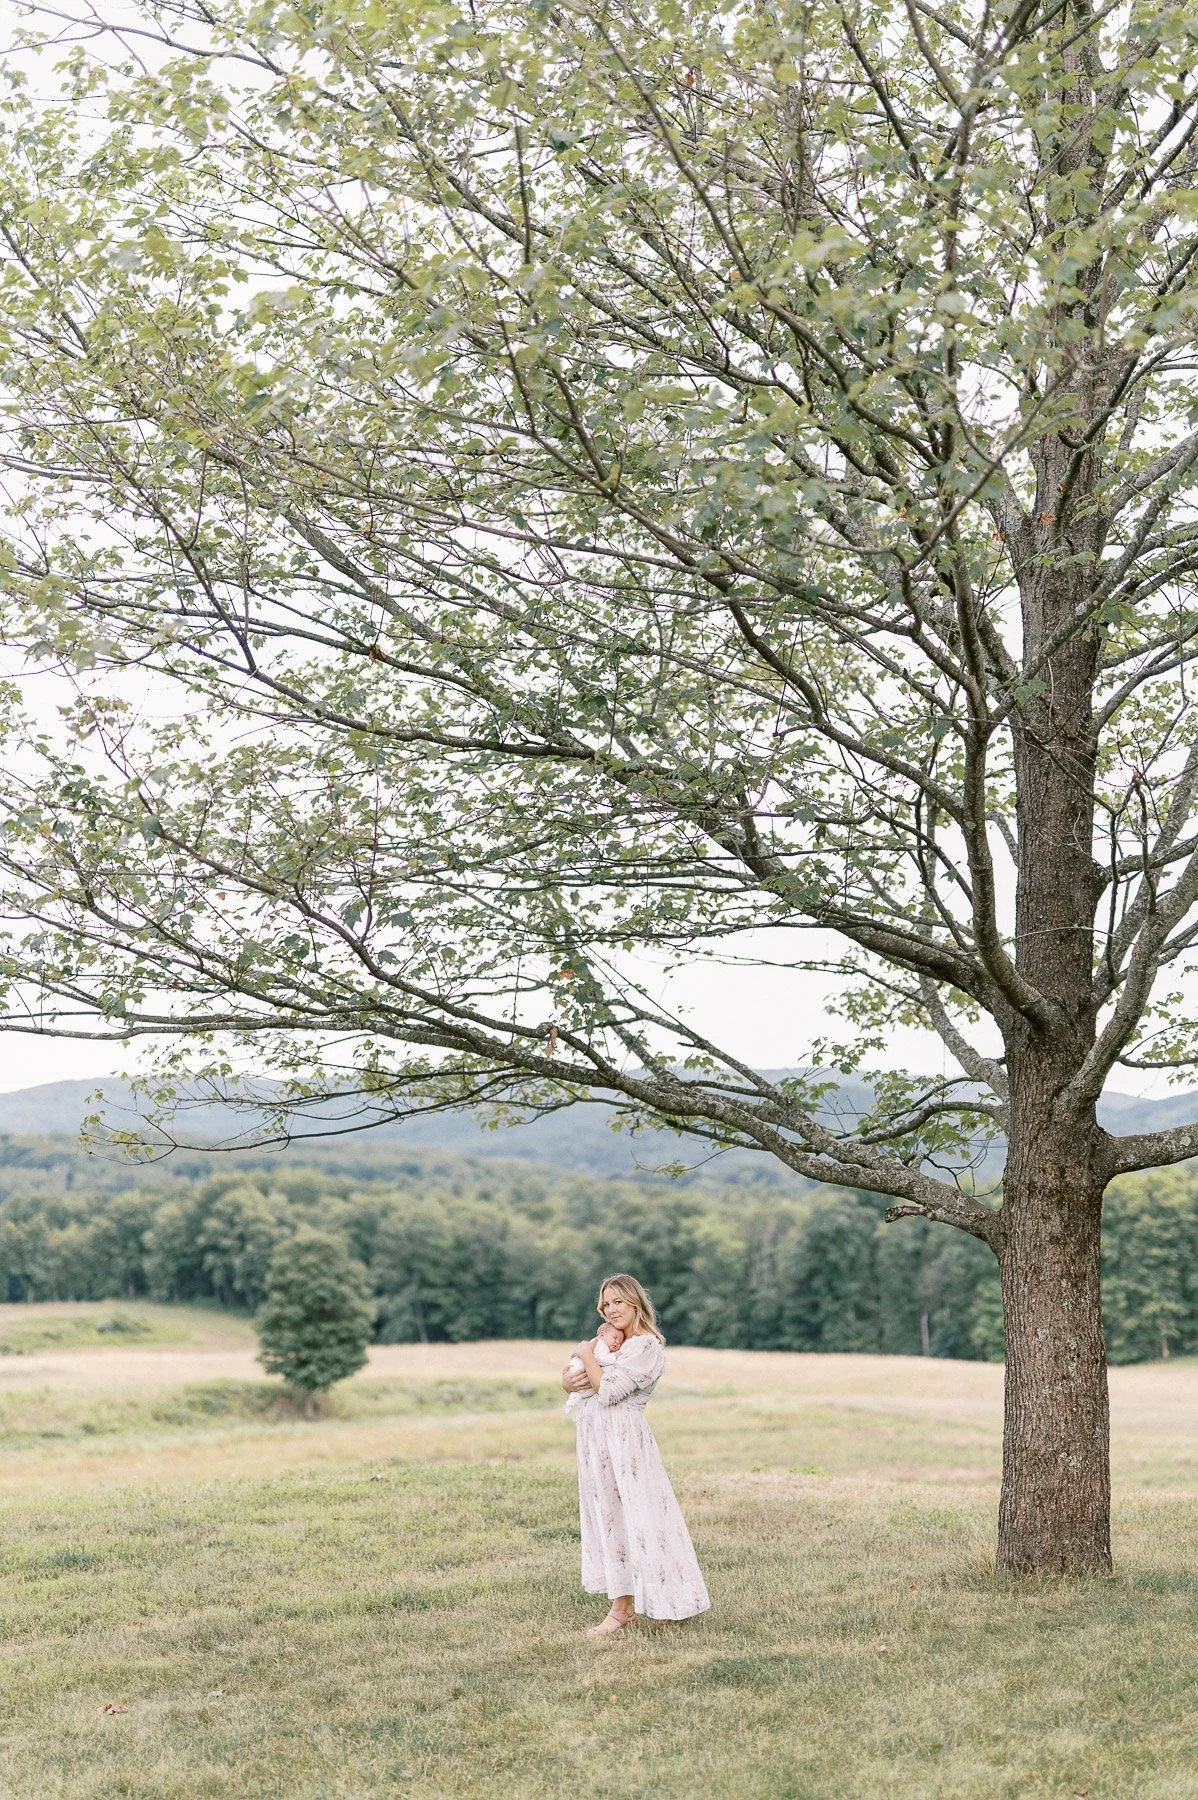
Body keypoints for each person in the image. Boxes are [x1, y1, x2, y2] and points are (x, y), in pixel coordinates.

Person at [562, 1271, 710, 1637]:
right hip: (595, 1440)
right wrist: (571, 1375)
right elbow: (577, 1381)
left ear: (635, 1303)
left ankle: (666, 1601)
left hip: (626, 1441)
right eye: (605, 1304)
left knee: (643, 1519)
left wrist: (583, 1352)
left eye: (618, 1302)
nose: (611, 1310)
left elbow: (609, 1389)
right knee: (608, 1517)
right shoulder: (608, 1346)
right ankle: (622, 1608)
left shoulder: (646, 1347)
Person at [563, 1319, 623, 1413]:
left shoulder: (597, 1343)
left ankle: (572, 1401)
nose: (617, 1342)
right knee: (583, 1389)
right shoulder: (601, 1345)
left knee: (581, 1390)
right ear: (602, 1335)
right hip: (579, 1368)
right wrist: (614, 1356)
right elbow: (602, 1360)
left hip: (577, 1370)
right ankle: (572, 1400)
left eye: (620, 1341)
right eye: (615, 1338)